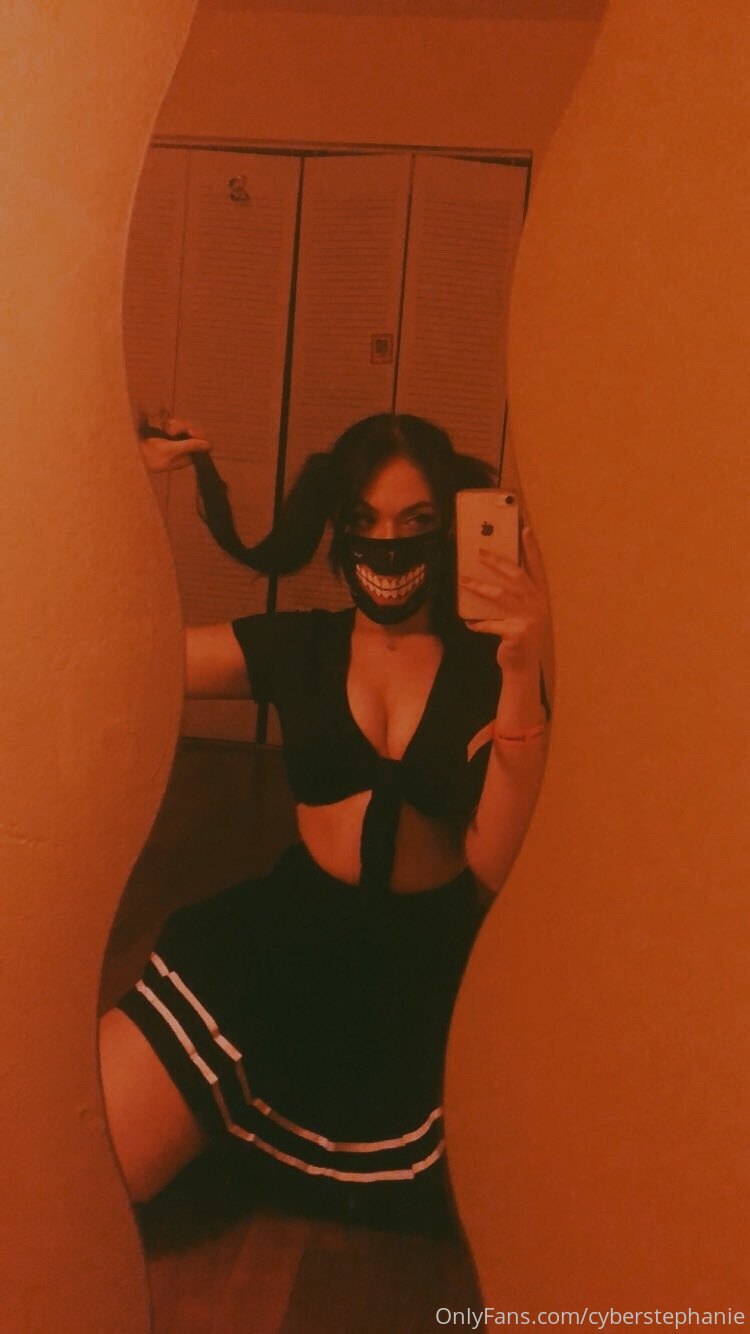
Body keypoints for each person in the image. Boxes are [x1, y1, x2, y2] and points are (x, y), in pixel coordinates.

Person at [99, 412, 550, 1226]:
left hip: (430, 968)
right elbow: (120, 653)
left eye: (416, 521)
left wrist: (522, 672)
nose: (389, 545)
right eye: (365, 521)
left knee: (519, 1206)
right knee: (94, 1168)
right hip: (286, 939)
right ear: (337, 530)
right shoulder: (298, 646)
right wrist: (114, 480)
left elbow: (492, 864)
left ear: (450, 528)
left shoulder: (488, 664)